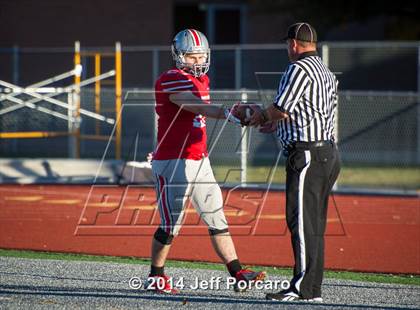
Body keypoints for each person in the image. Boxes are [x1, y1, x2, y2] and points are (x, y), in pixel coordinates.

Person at [147, 29, 266, 294]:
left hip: (199, 159)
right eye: (191, 56)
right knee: (171, 225)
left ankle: (238, 272)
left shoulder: (203, 79)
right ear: (178, 56)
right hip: (173, 160)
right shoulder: (171, 78)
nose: (197, 61)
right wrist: (228, 113)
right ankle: (156, 276)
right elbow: (194, 106)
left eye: (201, 56)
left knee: (216, 217)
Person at [242, 22, 341, 302]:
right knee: (314, 223)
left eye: (288, 44)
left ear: (294, 44)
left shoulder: (297, 68)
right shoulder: (326, 72)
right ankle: (311, 289)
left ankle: (302, 288)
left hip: (307, 154)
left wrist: (258, 117)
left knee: (300, 222)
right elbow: (308, 113)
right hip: (328, 153)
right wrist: (278, 125)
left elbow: (280, 108)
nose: (288, 48)